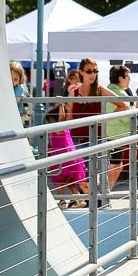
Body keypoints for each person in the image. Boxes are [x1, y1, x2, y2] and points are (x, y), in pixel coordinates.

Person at [50, 71, 90, 209]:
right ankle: (78, 199)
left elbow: (61, 117)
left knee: (59, 180)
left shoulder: (59, 128)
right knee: (70, 181)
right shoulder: (63, 128)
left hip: (62, 156)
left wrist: (61, 104)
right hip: (69, 155)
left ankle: (63, 200)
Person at [100, 65, 134, 192]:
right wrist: (135, 109)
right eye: (128, 76)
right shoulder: (120, 93)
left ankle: (105, 189)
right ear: (121, 78)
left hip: (109, 132)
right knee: (116, 164)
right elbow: (126, 117)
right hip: (117, 134)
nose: (129, 79)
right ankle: (105, 190)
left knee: (115, 163)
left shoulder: (109, 90)